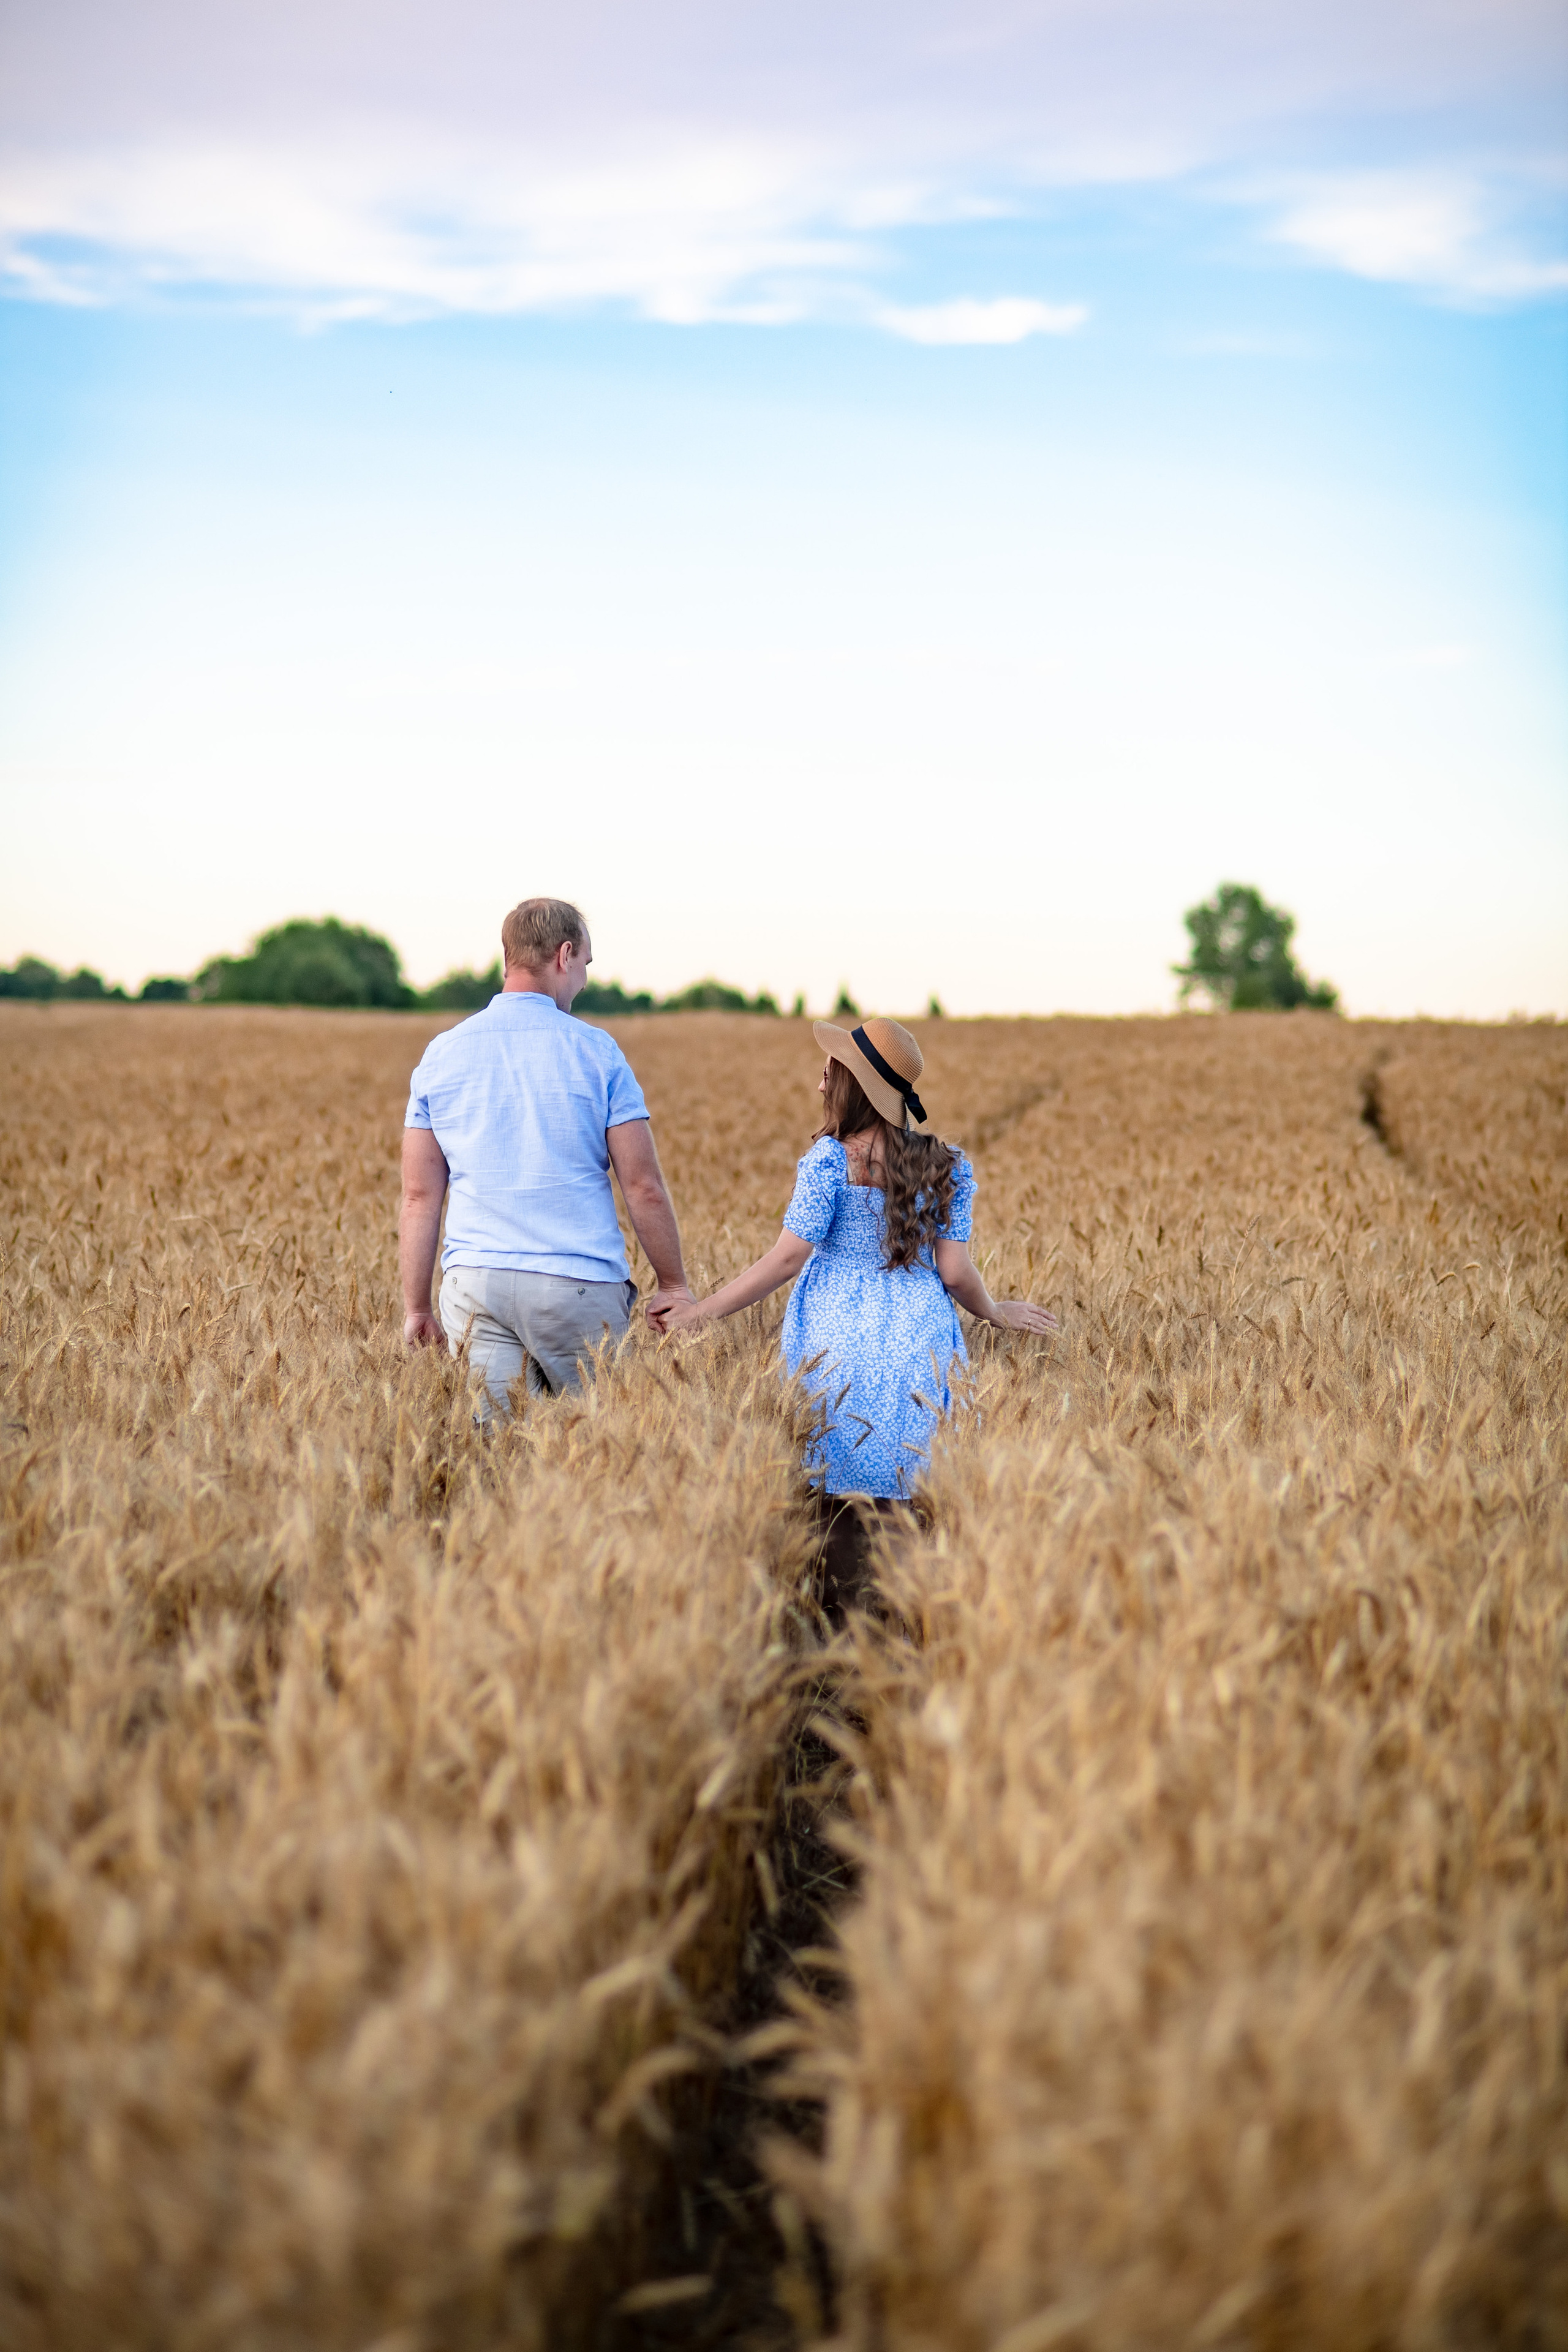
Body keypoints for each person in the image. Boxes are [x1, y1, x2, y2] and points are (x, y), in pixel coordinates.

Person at [657, 1014, 1055, 1613]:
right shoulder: (947, 1164)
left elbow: (786, 1258)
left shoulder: (828, 1162)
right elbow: (953, 1272)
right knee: (908, 1491)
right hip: (918, 1337)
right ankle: (908, 1631)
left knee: (831, 1489)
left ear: (849, 1086)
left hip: (834, 1336)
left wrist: (699, 1314)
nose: (820, 1086)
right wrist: (994, 1311)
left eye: (827, 1075)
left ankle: (836, 1635)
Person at [400, 897, 693, 1417]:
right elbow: (643, 1186)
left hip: (475, 1287)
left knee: (500, 1453)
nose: (583, 979)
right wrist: (673, 1284)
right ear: (564, 956)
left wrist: (418, 1307)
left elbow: (420, 1197)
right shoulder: (598, 1052)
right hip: (577, 1287)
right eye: (585, 964)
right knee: (598, 1453)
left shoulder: (441, 1053)